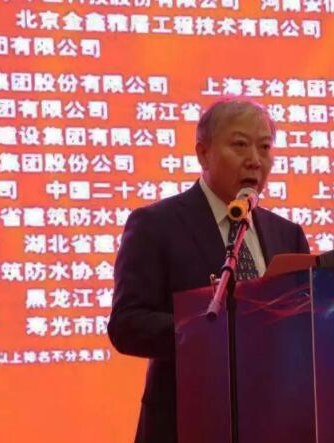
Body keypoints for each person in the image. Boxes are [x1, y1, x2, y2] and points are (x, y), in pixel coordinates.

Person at [108, 98, 310, 443]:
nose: (255, 160)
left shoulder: (286, 233)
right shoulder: (156, 225)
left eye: (265, 147)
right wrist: (208, 330)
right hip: (185, 423)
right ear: (203, 154)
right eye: (240, 145)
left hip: (274, 421)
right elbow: (126, 325)